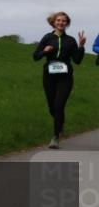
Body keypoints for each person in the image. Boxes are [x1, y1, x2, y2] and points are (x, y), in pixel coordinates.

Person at [32, 11, 86, 149]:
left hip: (65, 77)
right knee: (52, 106)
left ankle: (55, 137)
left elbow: (77, 60)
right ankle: (60, 123)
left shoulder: (71, 40)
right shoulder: (47, 37)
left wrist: (81, 46)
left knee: (59, 105)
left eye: (64, 21)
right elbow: (36, 56)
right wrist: (45, 50)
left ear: (67, 23)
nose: (61, 23)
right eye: (58, 20)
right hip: (49, 76)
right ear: (53, 22)